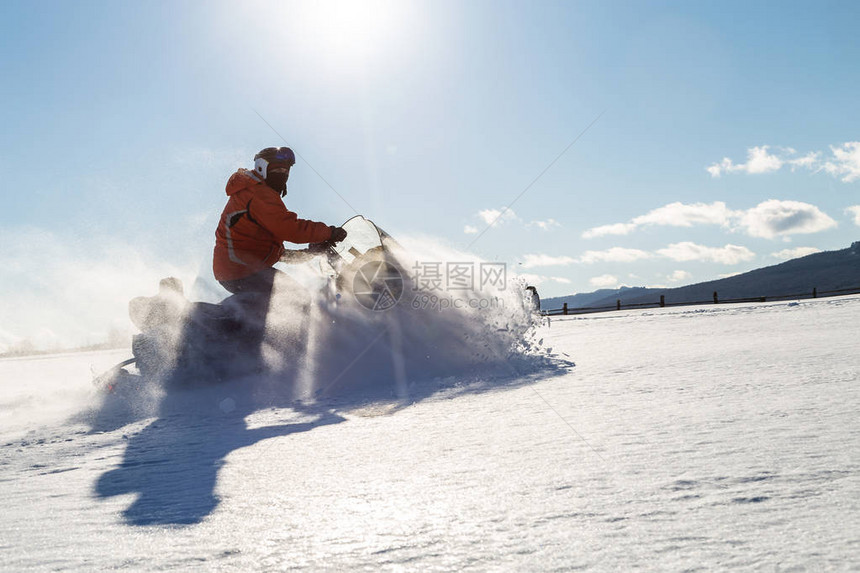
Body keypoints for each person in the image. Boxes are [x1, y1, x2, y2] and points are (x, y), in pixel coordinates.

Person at [213, 146, 347, 298]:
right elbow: (291, 229)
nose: (282, 175)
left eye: (286, 171)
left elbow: (277, 253)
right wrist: (328, 232)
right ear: (262, 168)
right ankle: (226, 319)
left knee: (295, 297)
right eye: (277, 170)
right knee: (295, 297)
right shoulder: (258, 193)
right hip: (239, 269)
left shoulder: (255, 192)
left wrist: (309, 253)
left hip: (237, 268)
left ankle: (251, 319)